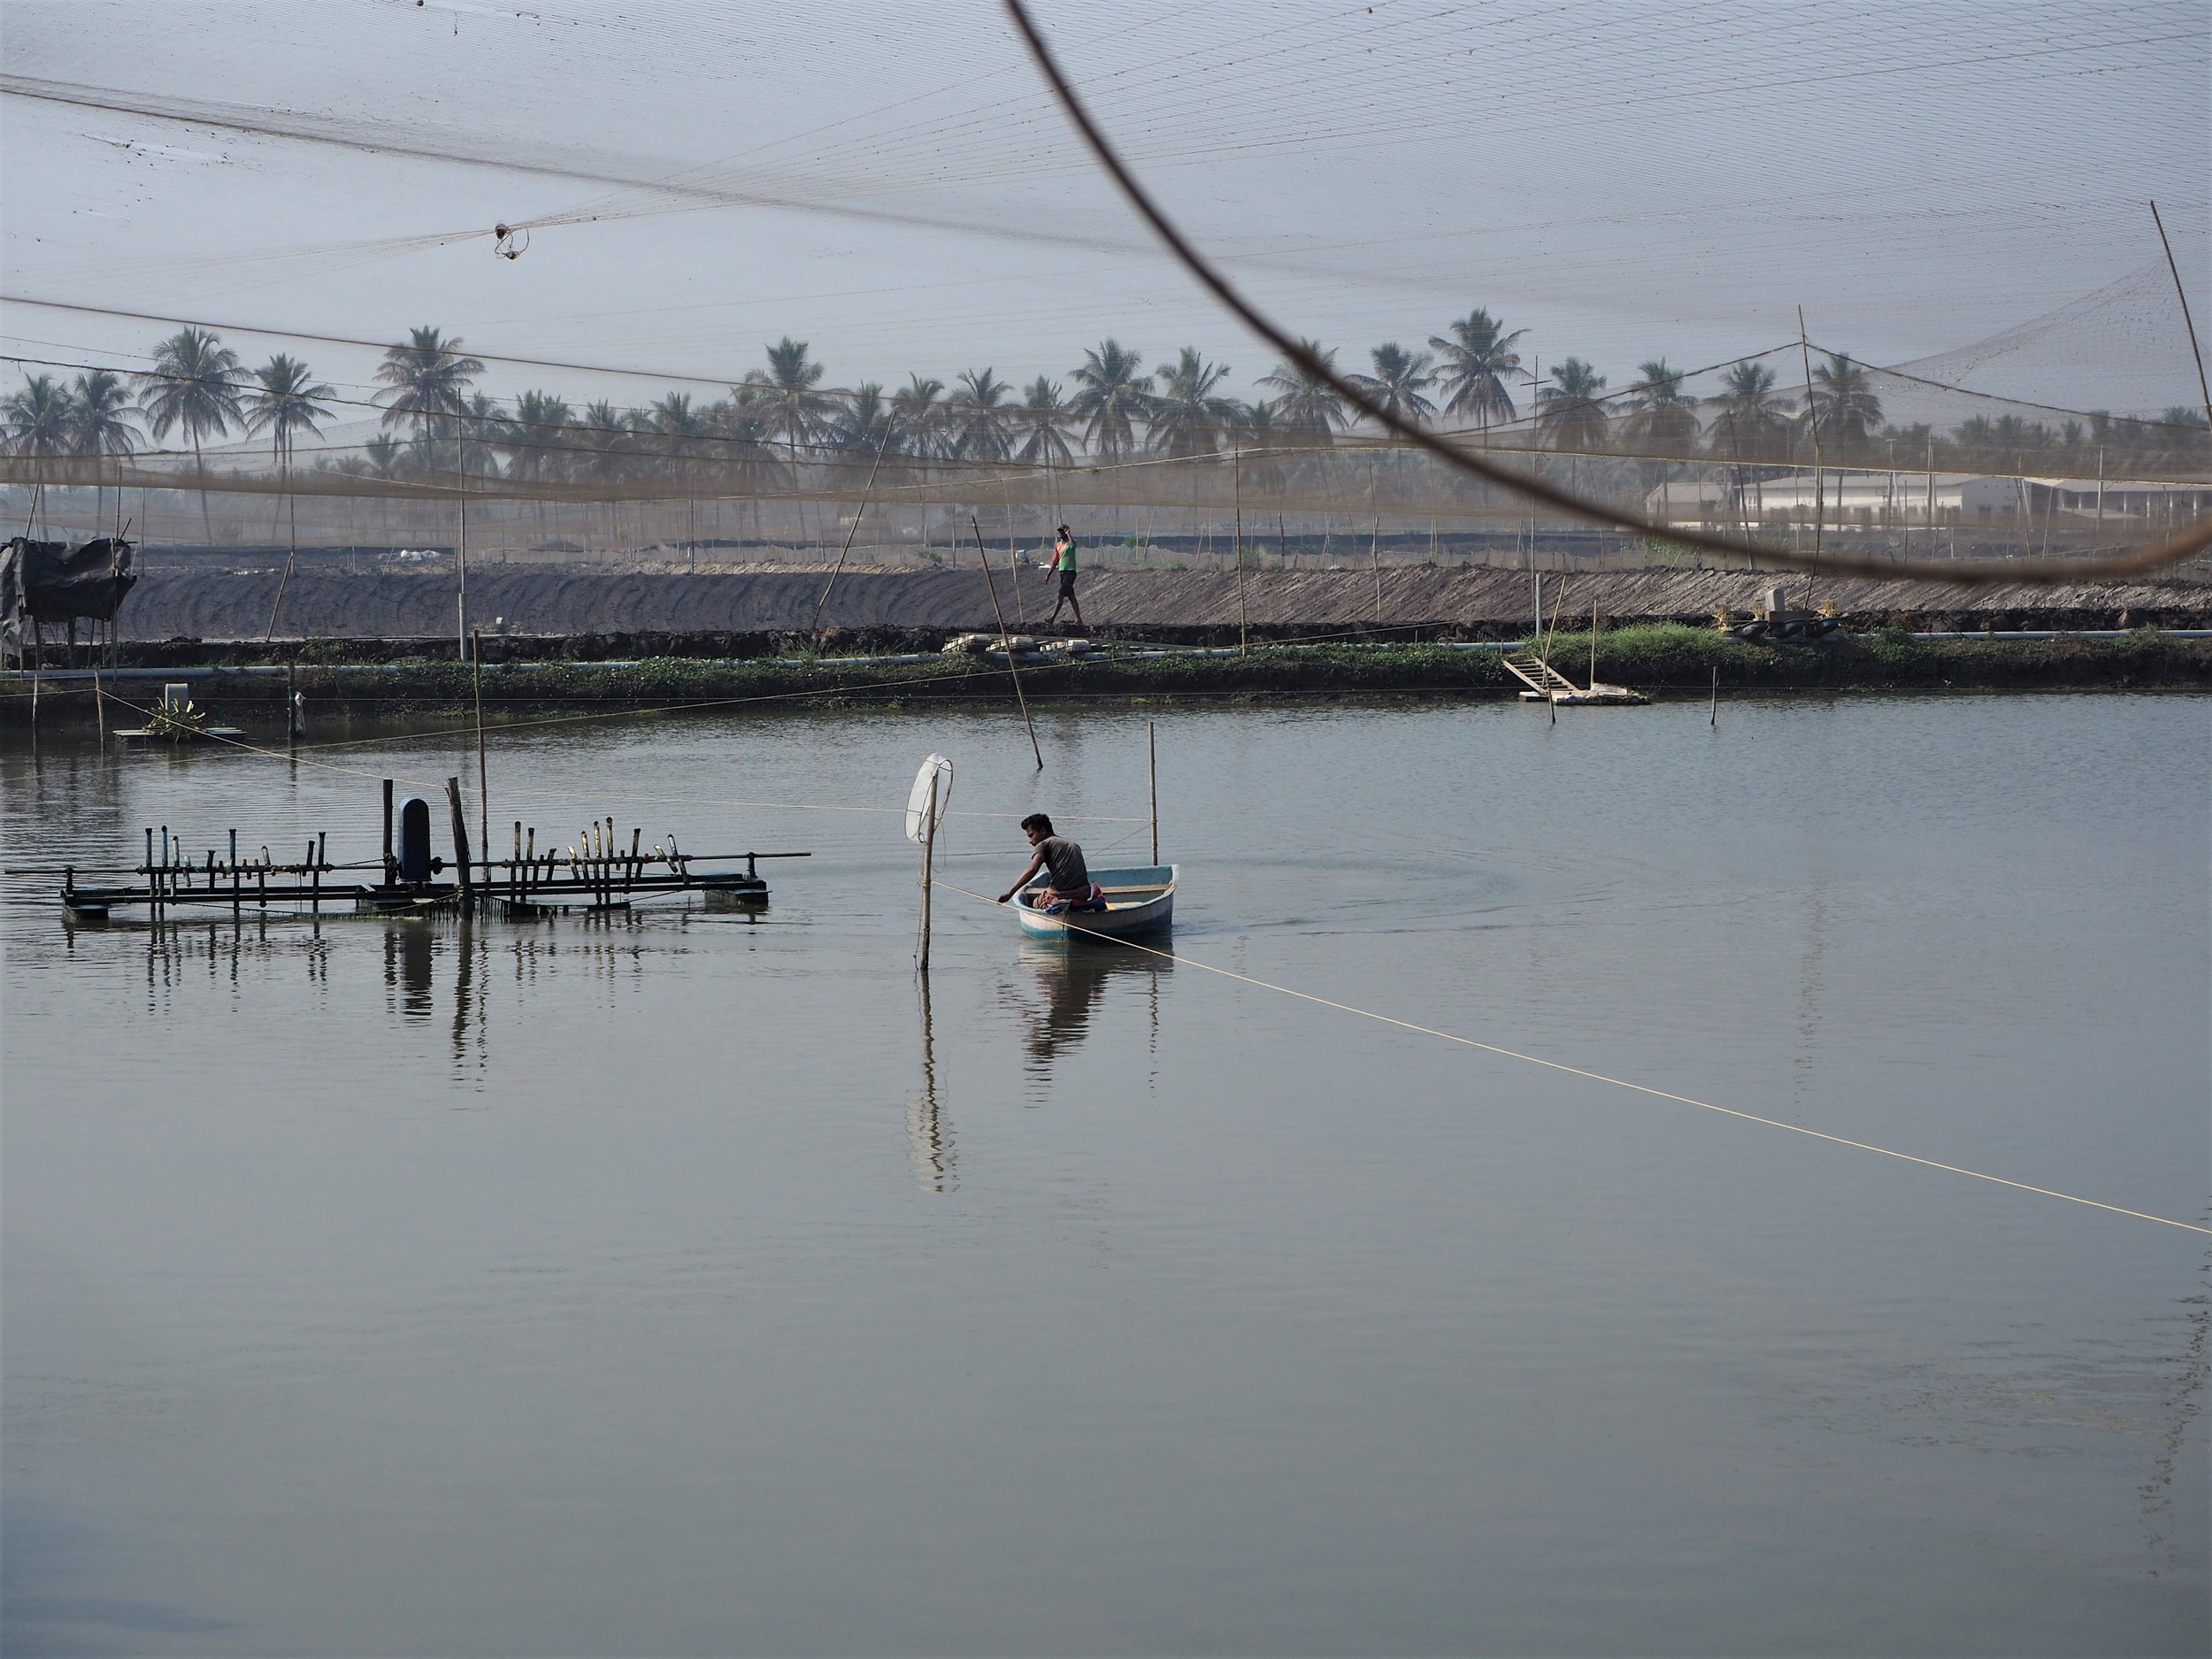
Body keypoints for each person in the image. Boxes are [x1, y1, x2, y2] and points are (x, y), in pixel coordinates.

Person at [996, 812, 1103, 913]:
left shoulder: (1043, 844)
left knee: (1034, 903)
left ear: (1043, 831)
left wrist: (1010, 893)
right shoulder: (1072, 844)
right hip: (1083, 893)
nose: (1030, 841)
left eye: (1031, 835)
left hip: (1060, 895)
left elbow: (1033, 869)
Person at [1044, 522, 1084, 631]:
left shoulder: (1070, 544)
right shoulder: (1058, 545)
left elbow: (1073, 545)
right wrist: (1048, 575)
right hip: (1062, 572)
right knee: (1071, 596)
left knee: (1060, 594)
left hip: (1070, 572)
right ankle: (1079, 619)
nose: (1061, 534)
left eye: (1063, 531)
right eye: (1060, 532)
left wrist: (1069, 534)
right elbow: (1054, 561)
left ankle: (1052, 618)